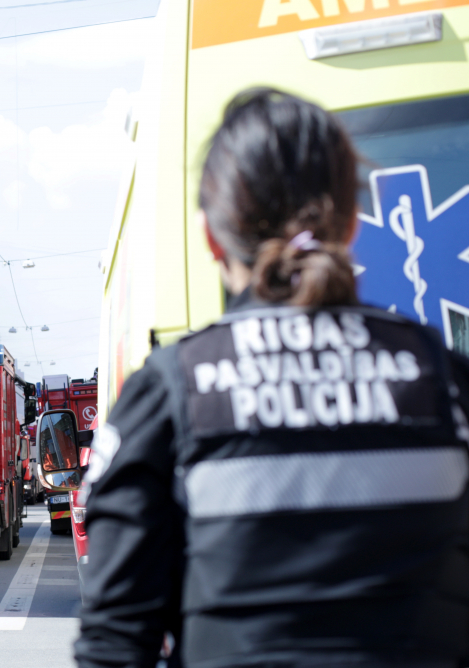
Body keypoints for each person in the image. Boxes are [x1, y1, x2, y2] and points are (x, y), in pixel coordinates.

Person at [75, 88, 469, 667]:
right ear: (352, 224)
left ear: (212, 236)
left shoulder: (170, 391)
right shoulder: (444, 379)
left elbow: (114, 643)